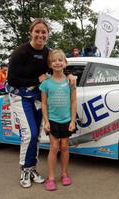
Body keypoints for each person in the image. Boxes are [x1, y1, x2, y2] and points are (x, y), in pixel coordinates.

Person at [7, 18, 75, 188]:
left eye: (43, 32)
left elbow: (58, 65)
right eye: (37, 31)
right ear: (31, 32)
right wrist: (36, 79)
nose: (40, 35)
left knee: (35, 135)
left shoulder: (47, 53)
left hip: (37, 98)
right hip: (20, 97)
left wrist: (70, 75)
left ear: (47, 35)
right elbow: (12, 79)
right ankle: (25, 169)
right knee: (29, 134)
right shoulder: (20, 52)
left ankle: (32, 168)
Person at [40, 49, 77, 191]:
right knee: (54, 147)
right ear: (50, 64)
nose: (57, 62)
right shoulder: (46, 83)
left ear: (65, 63)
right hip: (53, 120)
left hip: (67, 120)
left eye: (60, 60)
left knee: (64, 147)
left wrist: (73, 121)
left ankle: (64, 174)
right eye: (54, 60)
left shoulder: (71, 81)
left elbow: (73, 102)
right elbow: (43, 103)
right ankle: (50, 177)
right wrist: (46, 121)